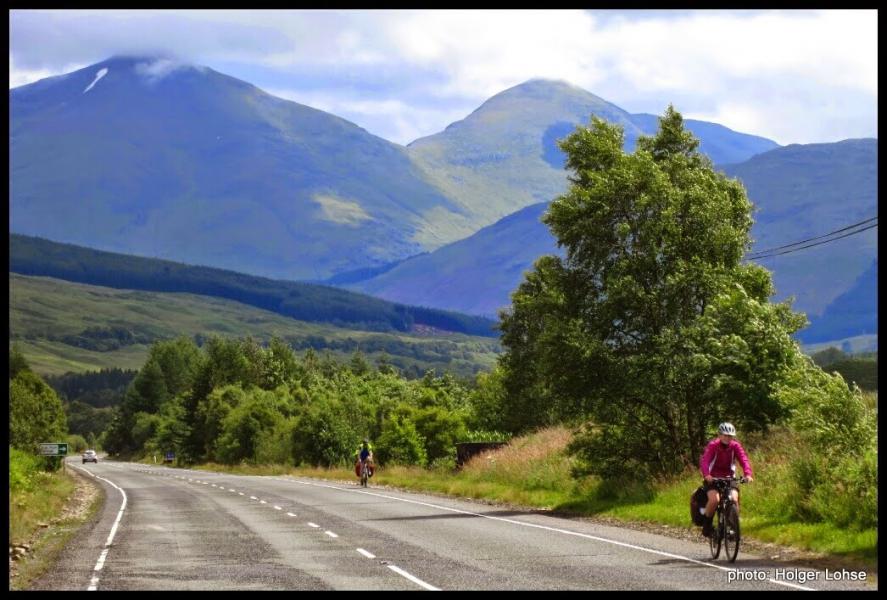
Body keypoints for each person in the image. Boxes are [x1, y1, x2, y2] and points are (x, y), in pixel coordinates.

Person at [699, 422, 754, 538]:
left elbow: (744, 460)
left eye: (730, 436)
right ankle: (707, 526)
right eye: (725, 435)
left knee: (734, 498)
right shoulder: (713, 445)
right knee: (715, 500)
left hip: (729, 478)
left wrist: (748, 474)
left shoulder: (735, 446)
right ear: (719, 435)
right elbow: (705, 461)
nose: (727, 438)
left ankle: (734, 527)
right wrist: (706, 474)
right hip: (712, 478)